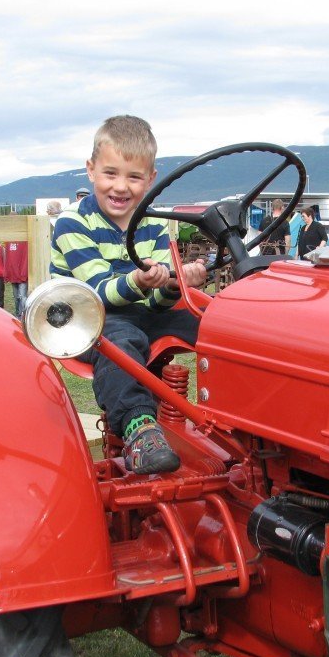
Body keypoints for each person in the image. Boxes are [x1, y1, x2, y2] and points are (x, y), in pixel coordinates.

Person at [51, 115, 207, 475]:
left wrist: (173, 284)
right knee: (122, 338)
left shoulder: (151, 224)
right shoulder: (73, 222)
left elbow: (155, 302)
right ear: (90, 170)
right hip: (85, 319)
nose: (121, 187)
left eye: (134, 177)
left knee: (214, 325)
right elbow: (99, 291)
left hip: (138, 312)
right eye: (110, 173)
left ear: (151, 179)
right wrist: (140, 282)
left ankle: (240, 418)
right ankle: (139, 427)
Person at [4, 239, 28, 318]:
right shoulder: (8, 243)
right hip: (13, 274)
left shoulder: (25, 242)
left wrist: (23, 273)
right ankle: (18, 314)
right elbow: (7, 258)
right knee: (16, 297)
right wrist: (7, 273)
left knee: (22, 296)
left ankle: (23, 316)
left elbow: (26, 258)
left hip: (22, 275)